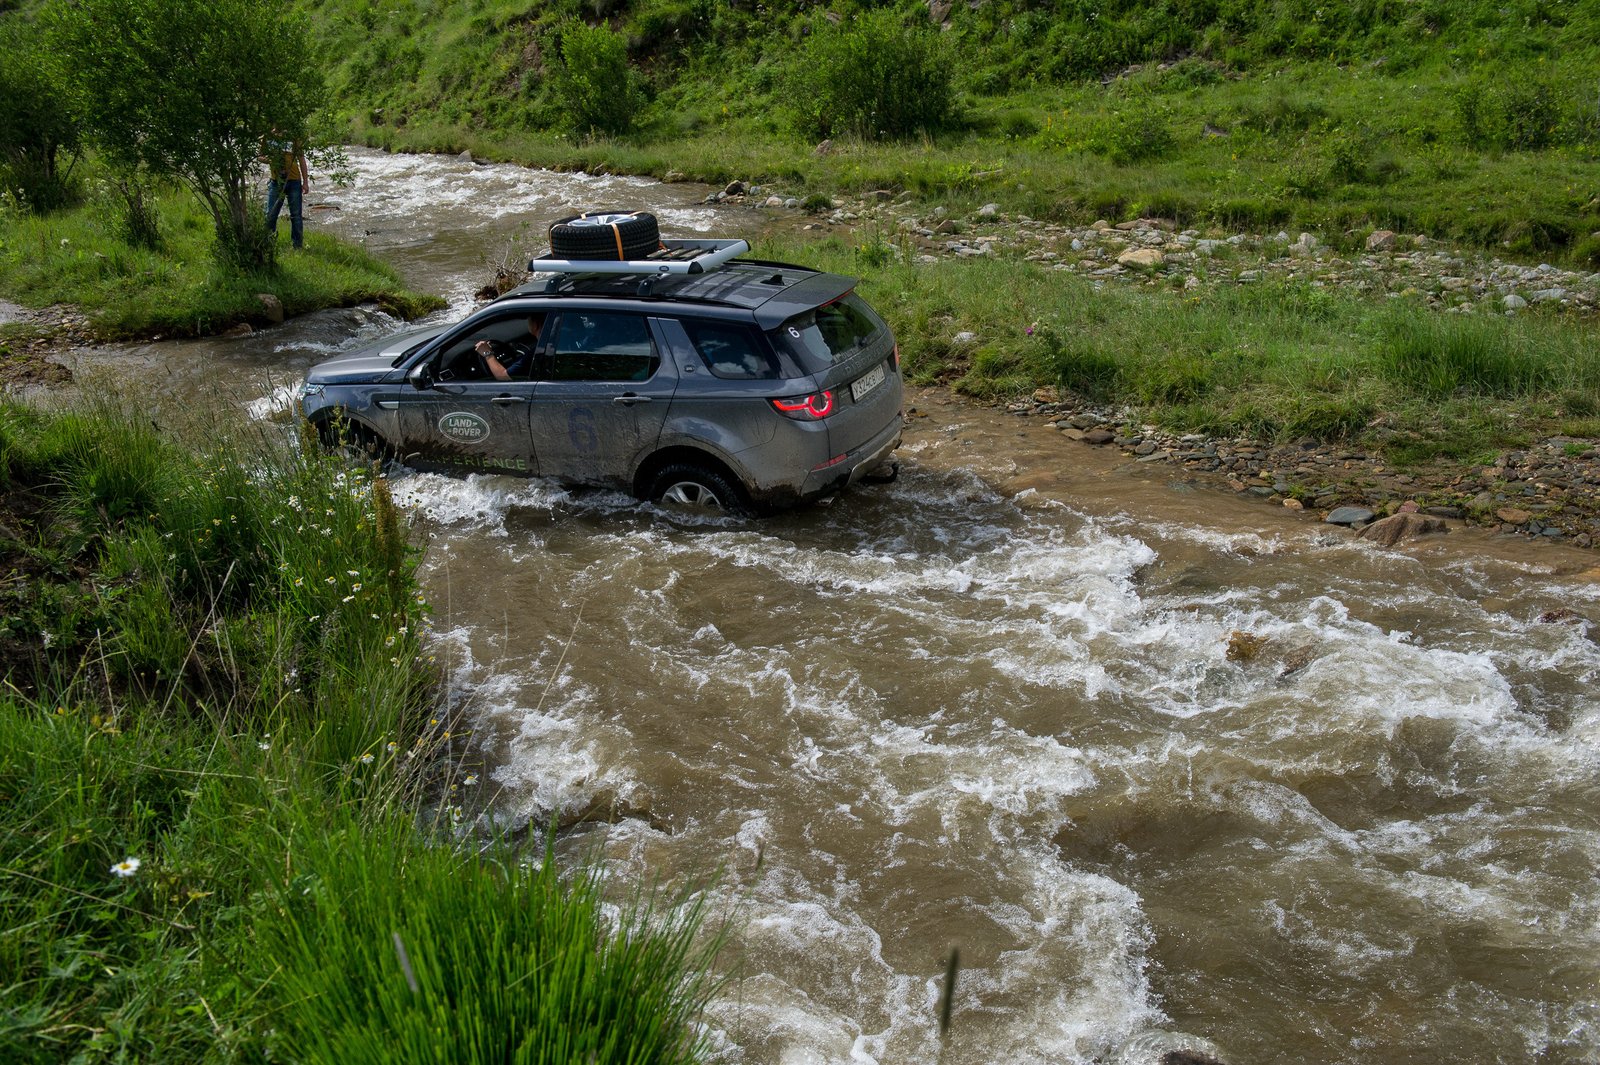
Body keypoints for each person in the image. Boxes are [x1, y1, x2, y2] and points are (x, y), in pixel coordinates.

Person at [262, 131, 311, 249]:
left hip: (294, 180)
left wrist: (305, 182)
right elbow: (260, 156)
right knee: (271, 214)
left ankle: (297, 246)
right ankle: (269, 244)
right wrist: (269, 160)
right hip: (276, 180)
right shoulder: (267, 136)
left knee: (296, 215)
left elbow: (301, 159)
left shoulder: (293, 135)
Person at [474, 315, 544, 381]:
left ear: (535, 325)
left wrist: (488, 354)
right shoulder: (548, 347)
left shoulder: (537, 353)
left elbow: (504, 378)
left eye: (528, 320)